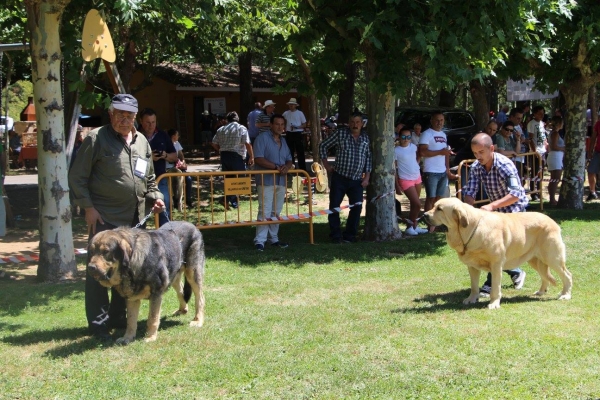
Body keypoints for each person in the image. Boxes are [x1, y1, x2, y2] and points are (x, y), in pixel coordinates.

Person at [68, 93, 165, 340]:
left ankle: (119, 318)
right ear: (111, 114)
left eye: (129, 115)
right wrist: (88, 207)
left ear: (136, 116)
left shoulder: (142, 140)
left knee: (127, 270)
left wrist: (155, 195)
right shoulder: (96, 139)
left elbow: (150, 177)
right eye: (119, 114)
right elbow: (77, 177)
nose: (124, 119)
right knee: (99, 271)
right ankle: (99, 325)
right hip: (104, 218)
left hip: (134, 220)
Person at [462, 133, 528, 297]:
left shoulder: (505, 165)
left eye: (481, 152)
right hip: (496, 214)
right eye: (475, 153)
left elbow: (516, 194)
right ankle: (516, 272)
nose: (478, 157)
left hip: (515, 212)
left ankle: (490, 285)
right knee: (495, 249)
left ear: (491, 148)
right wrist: (467, 211)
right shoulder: (476, 167)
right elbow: (470, 191)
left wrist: (491, 206)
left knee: (495, 250)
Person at [319, 112, 372, 243]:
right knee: (334, 206)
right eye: (353, 122)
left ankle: (350, 235)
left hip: (357, 180)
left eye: (358, 122)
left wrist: (367, 178)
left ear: (362, 123)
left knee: (357, 208)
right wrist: (326, 165)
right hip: (340, 177)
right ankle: (335, 235)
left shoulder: (366, 138)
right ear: (349, 123)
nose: (355, 125)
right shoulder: (340, 133)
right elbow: (323, 145)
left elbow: (369, 158)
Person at [253, 114, 292, 251]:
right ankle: (260, 241)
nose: (280, 127)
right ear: (270, 124)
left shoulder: (284, 141)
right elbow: (258, 158)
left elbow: (289, 158)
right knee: (265, 210)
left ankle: (273, 239)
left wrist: (287, 166)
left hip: (281, 181)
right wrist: (276, 167)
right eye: (277, 124)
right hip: (266, 180)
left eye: (282, 124)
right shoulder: (262, 138)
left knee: (276, 211)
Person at [138, 108, 178, 226]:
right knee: (140, 211)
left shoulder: (163, 135)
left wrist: (164, 155)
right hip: (140, 179)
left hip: (160, 178)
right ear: (141, 121)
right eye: (147, 122)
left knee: (164, 206)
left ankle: (165, 236)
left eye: (153, 122)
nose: (151, 126)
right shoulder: (135, 135)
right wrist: (150, 158)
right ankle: (139, 237)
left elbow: (175, 156)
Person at [419, 112, 455, 232]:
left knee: (438, 200)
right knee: (430, 198)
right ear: (431, 120)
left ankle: (436, 223)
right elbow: (423, 152)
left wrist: (447, 170)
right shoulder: (426, 134)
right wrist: (440, 152)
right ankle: (429, 226)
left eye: (441, 120)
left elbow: (446, 154)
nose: (439, 122)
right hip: (431, 171)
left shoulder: (444, 135)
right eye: (437, 120)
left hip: (442, 172)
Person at [211, 111, 255, 209]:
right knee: (241, 180)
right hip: (236, 156)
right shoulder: (241, 128)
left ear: (227, 119)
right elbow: (247, 143)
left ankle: (230, 201)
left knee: (229, 180)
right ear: (237, 119)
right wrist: (251, 156)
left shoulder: (221, 129)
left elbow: (213, 143)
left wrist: (221, 150)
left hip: (224, 156)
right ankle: (228, 200)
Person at [394, 126, 427, 236]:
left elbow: (417, 156)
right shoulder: (396, 150)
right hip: (405, 180)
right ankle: (409, 227)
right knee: (417, 204)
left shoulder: (413, 146)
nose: (406, 139)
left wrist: (417, 164)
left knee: (415, 205)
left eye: (408, 136)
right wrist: (397, 185)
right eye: (404, 136)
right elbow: (394, 169)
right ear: (399, 137)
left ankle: (414, 226)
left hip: (417, 177)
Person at [166, 128, 193, 208]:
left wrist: (183, 162)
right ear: (173, 136)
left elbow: (181, 155)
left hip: (178, 168)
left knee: (188, 179)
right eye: (178, 135)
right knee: (174, 181)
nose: (178, 137)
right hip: (168, 169)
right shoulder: (166, 144)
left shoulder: (177, 143)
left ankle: (188, 200)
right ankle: (174, 201)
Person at [526, 105, 548, 201]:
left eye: (542, 113)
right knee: (535, 172)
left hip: (543, 150)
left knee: (541, 172)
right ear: (534, 114)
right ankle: (533, 193)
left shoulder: (542, 123)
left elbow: (543, 136)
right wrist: (534, 151)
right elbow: (530, 138)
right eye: (539, 113)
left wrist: (546, 145)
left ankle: (539, 192)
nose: (541, 115)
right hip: (536, 152)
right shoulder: (531, 124)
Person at [282, 97, 307, 172]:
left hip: (298, 133)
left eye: (292, 105)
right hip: (289, 133)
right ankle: (291, 168)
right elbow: (281, 119)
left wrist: (297, 127)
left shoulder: (300, 113)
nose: (291, 106)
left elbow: (304, 124)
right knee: (290, 151)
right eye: (290, 105)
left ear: (296, 105)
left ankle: (302, 169)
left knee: (300, 151)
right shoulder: (286, 113)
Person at [546, 116, 565, 206]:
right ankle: (552, 199)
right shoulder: (555, 134)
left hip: (556, 157)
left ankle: (552, 198)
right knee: (555, 179)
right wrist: (564, 148)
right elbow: (554, 146)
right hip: (555, 157)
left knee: (554, 179)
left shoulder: (554, 133)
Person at [587, 118, 600, 201]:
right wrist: (590, 150)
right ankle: (592, 192)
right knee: (591, 171)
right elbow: (594, 137)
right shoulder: (598, 123)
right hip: (598, 151)